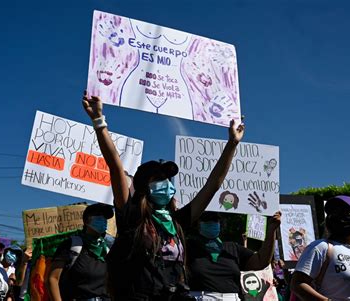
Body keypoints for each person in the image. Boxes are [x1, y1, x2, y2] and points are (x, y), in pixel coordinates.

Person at [82, 92, 245, 300]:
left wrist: (232, 144)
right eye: (159, 178)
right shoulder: (133, 216)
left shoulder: (177, 221)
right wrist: (98, 121)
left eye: (168, 179)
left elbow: (213, 185)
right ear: (144, 186)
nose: (167, 184)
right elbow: (115, 166)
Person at [290, 195, 350, 300]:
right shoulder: (321, 247)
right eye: (334, 213)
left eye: (347, 211)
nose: (340, 216)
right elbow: (297, 284)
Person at [187, 211, 281, 300]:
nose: (212, 223)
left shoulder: (232, 248)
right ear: (198, 224)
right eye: (207, 220)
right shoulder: (188, 247)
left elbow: (261, 261)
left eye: (215, 220)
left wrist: (271, 231)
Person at [46, 203, 114, 301]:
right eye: (99, 216)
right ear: (86, 221)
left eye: (105, 218)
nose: (103, 220)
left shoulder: (107, 250)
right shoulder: (72, 245)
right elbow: (52, 279)